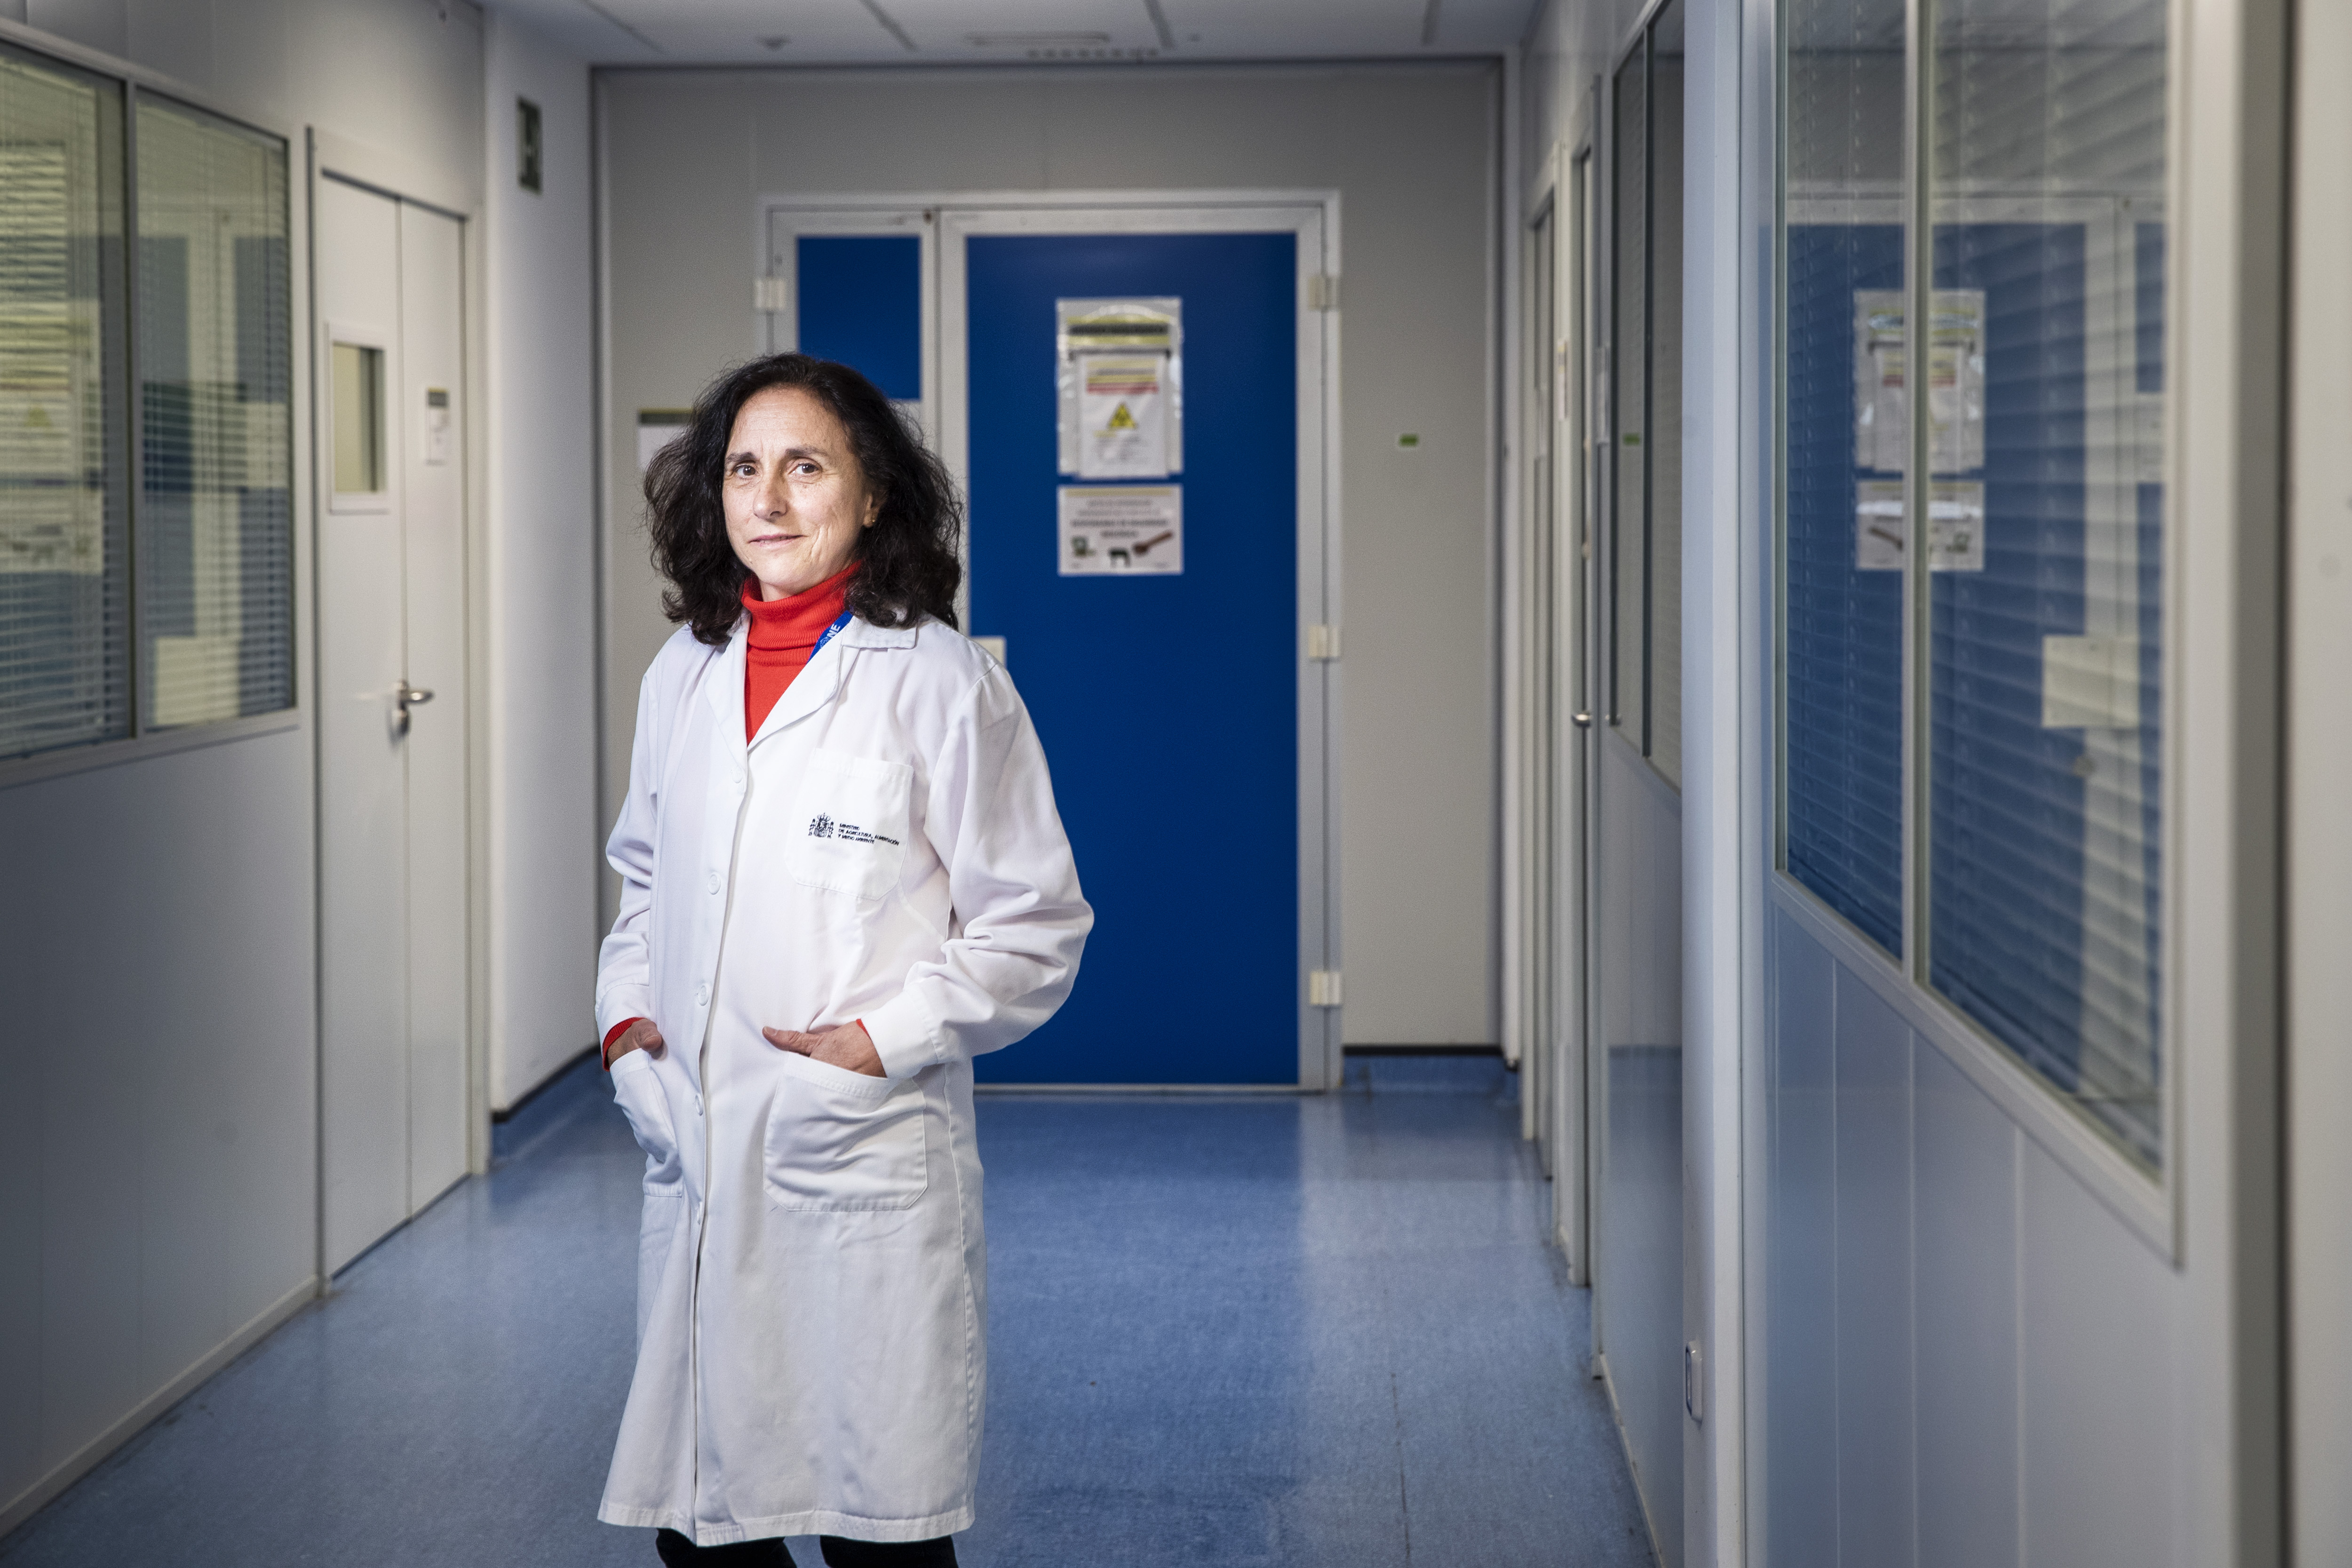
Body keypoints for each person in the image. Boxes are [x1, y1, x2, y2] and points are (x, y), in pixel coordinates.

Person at [593, 353, 1092, 1567]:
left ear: (873, 497)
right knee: (702, 1531)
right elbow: (647, 878)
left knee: (878, 1533)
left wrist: (885, 1040)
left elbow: (1035, 924)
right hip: (705, 1149)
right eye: (743, 469)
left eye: (805, 467)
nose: (768, 498)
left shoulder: (940, 683)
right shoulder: (685, 675)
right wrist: (624, 1026)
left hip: (851, 1150)